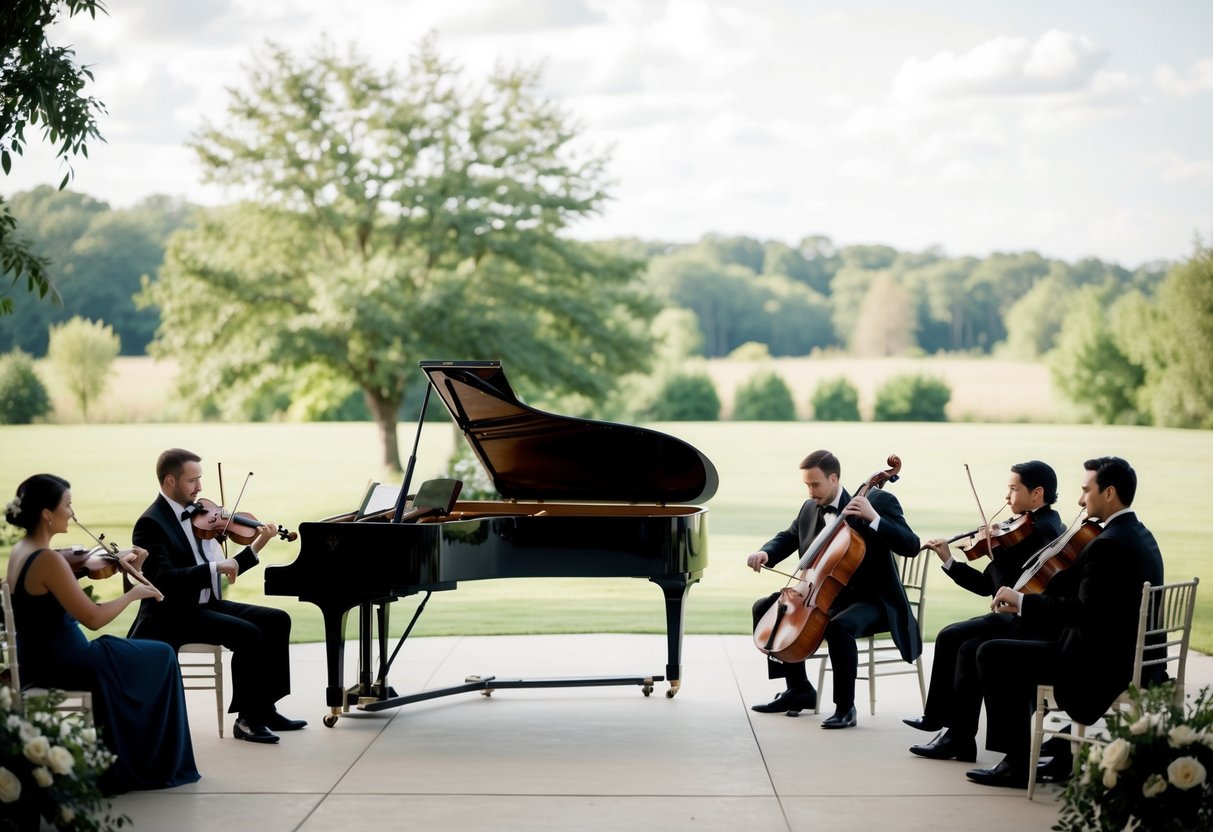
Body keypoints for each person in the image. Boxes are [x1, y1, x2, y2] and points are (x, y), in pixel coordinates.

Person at [965, 456, 1164, 788]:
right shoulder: (1139, 534)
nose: (1080, 499)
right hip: (1129, 655)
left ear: (1110, 493)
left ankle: (1016, 763)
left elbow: (1084, 613)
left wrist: (1023, 601)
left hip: (1100, 664)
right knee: (1019, 646)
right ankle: (1060, 752)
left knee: (992, 653)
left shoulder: (1108, 545)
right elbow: (1099, 604)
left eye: (1086, 490)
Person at [4, 474, 200, 793]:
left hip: (40, 657)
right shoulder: (48, 560)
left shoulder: (21, 550)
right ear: (46, 514)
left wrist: (114, 562)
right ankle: (149, 763)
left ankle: (137, 755)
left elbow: (56, 596)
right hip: (68, 662)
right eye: (67, 505)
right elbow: (94, 618)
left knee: (148, 654)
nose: (73, 513)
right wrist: (132, 594)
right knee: (163, 654)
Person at [128, 448, 305, 744]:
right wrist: (215, 565)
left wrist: (258, 543)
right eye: (192, 481)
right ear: (170, 481)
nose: (199, 488)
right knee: (248, 633)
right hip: (174, 613)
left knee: (277, 620)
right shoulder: (151, 523)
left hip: (206, 604)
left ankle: (265, 708)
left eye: (200, 479)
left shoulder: (199, 515)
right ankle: (247, 719)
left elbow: (226, 569)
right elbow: (163, 581)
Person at [904, 460, 1065, 762]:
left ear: (1037, 493)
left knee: (956, 639)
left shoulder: (1043, 529)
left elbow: (1008, 583)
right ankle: (954, 733)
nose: (1007, 497)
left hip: (1026, 622)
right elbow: (985, 585)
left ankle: (950, 729)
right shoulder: (1027, 527)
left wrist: (997, 547)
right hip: (1012, 616)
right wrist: (949, 560)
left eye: (1013, 489)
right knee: (955, 638)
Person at [746, 449, 921, 728]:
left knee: (838, 627)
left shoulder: (877, 501)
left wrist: (874, 518)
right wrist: (766, 553)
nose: (810, 491)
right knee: (766, 607)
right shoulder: (809, 508)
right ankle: (798, 689)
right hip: (827, 595)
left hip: (873, 599)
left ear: (833, 478)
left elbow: (911, 545)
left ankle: (845, 708)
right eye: (806, 485)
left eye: (815, 484)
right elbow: (789, 536)